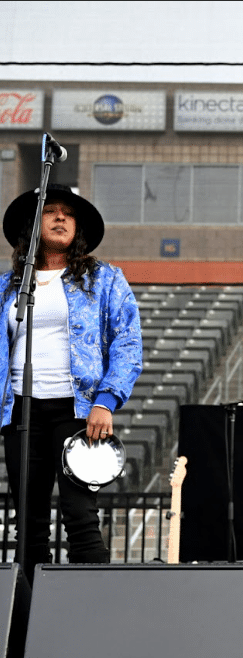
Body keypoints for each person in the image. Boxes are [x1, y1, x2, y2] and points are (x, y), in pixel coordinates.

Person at [0, 184, 143, 581]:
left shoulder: (105, 280)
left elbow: (128, 344)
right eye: (51, 211)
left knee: (80, 515)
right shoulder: (6, 288)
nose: (61, 217)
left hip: (77, 410)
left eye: (68, 213)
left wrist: (105, 401)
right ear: (32, 226)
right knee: (27, 524)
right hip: (20, 412)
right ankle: (25, 623)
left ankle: (91, 615)